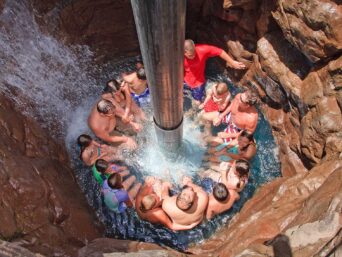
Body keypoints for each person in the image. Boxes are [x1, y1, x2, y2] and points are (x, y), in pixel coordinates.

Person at [183, 39, 246, 104]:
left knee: (197, 103)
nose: (193, 56)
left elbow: (220, 51)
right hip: (184, 80)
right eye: (190, 55)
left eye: (194, 53)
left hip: (198, 83)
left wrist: (232, 62)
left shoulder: (202, 50)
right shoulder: (179, 56)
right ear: (184, 52)